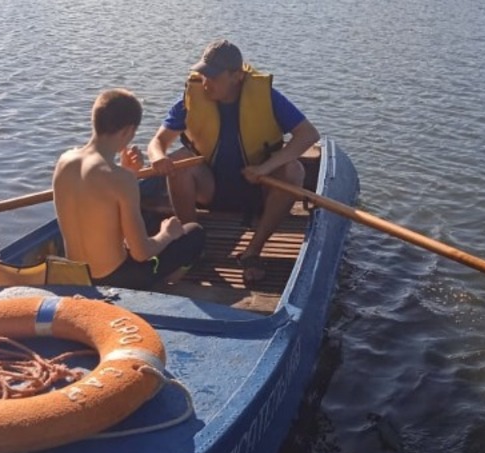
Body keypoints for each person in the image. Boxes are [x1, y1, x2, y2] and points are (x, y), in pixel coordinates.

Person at [147, 40, 320, 287]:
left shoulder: (267, 97)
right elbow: (158, 142)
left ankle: (252, 252)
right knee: (179, 163)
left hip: (259, 188)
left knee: (294, 171)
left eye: (214, 77)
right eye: (203, 74)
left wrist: (265, 168)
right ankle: (191, 242)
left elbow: (308, 135)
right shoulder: (192, 96)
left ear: (236, 76)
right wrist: (158, 158)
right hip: (212, 188)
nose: (206, 82)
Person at [53, 88, 205, 288]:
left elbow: (98, 203)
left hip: (76, 277)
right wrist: (168, 234)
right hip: (117, 280)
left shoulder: (64, 161)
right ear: (128, 131)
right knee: (194, 233)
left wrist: (127, 172)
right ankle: (163, 286)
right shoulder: (121, 180)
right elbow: (141, 253)